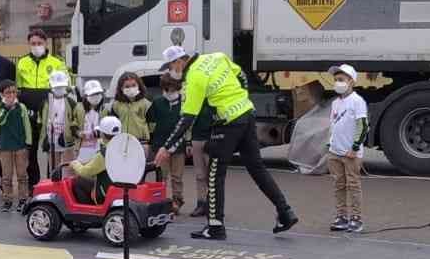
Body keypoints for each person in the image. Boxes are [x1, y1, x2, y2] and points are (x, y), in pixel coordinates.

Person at [154, 45, 297, 241]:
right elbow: (241, 76)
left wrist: (167, 148)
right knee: (257, 168)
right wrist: (241, 98)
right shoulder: (217, 56)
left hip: (228, 123)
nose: (171, 71)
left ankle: (215, 227)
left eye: (170, 67)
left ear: (179, 61)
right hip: (246, 114)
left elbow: (187, 118)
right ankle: (285, 212)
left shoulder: (193, 77)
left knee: (214, 175)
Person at [16, 30, 67, 189]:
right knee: (31, 150)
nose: (36, 46)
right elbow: (18, 88)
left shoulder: (57, 62)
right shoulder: (22, 62)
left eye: (39, 43)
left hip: (49, 110)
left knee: (51, 148)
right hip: (29, 112)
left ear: (45, 43)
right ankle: (34, 185)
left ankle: (52, 184)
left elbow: (64, 86)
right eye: (33, 43)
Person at [326, 65, 369, 233]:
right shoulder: (335, 103)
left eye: (341, 79)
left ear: (351, 81)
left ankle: (356, 218)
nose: (337, 83)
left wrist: (355, 147)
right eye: (336, 80)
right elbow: (333, 125)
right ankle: (341, 216)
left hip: (350, 153)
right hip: (335, 152)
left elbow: (363, 126)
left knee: (353, 185)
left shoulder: (357, 101)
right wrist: (329, 145)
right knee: (339, 185)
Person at [148, 74, 186, 212]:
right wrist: (152, 142)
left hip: (179, 145)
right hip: (160, 146)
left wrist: (188, 142)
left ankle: (177, 201)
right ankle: (161, 201)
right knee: (162, 176)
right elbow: (151, 123)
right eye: (167, 87)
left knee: (177, 177)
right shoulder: (157, 102)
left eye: (173, 87)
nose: (170, 90)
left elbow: (188, 124)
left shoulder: (184, 102)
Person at [0, 79, 32, 212]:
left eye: (14, 92)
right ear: (2, 94)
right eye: (8, 93)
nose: (11, 95)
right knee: (6, 176)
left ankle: (23, 199)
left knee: (22, 175)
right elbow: (0, 120)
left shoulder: (21, 107)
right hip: (5, 146)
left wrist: (28, 142)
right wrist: (7, 107)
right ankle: (7, 199)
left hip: (20, 145)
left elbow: (26, 124)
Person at [63, 113, 120, 203]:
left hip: (105, 192)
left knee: (78, 181)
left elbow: (85, 172)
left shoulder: (104, 154)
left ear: (102, 134)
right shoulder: (121, 147)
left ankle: (86, 208)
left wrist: (75, 164)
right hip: (118, 188)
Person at [40, 70, 82, 178]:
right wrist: (44, 139)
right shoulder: (46, 102)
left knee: (69, 170)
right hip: (51, 141)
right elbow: (42, 120)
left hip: (67, 142)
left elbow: (75, 120)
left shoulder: (71, 102)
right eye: (56, 87)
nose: (59, 89)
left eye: (61, 87)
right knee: (54, 171)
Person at [112, 74, 151, 147]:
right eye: (127, 86)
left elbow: (152, 125)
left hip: (141, 142)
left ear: (139, 86)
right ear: (121, 88)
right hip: (122, 141)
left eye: (134, 85)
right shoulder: (116, 105)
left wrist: (150, 143)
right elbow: (113, 125)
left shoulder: (146, 104)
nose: (131, 88)